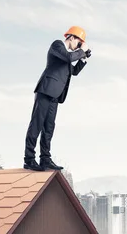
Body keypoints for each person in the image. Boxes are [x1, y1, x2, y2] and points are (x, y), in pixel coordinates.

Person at [23, 26, 92, 171]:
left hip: (56, 95)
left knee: (48, 128)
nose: (77, 47)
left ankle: (45, 159)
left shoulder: (66, 55)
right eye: (78, 43)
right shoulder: (57, 45)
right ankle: (29, 159)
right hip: (45, 90)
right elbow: (69, 57)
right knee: (36, 124)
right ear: (71, 37)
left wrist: (84, 58)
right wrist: (82, 50)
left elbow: (74, 71)